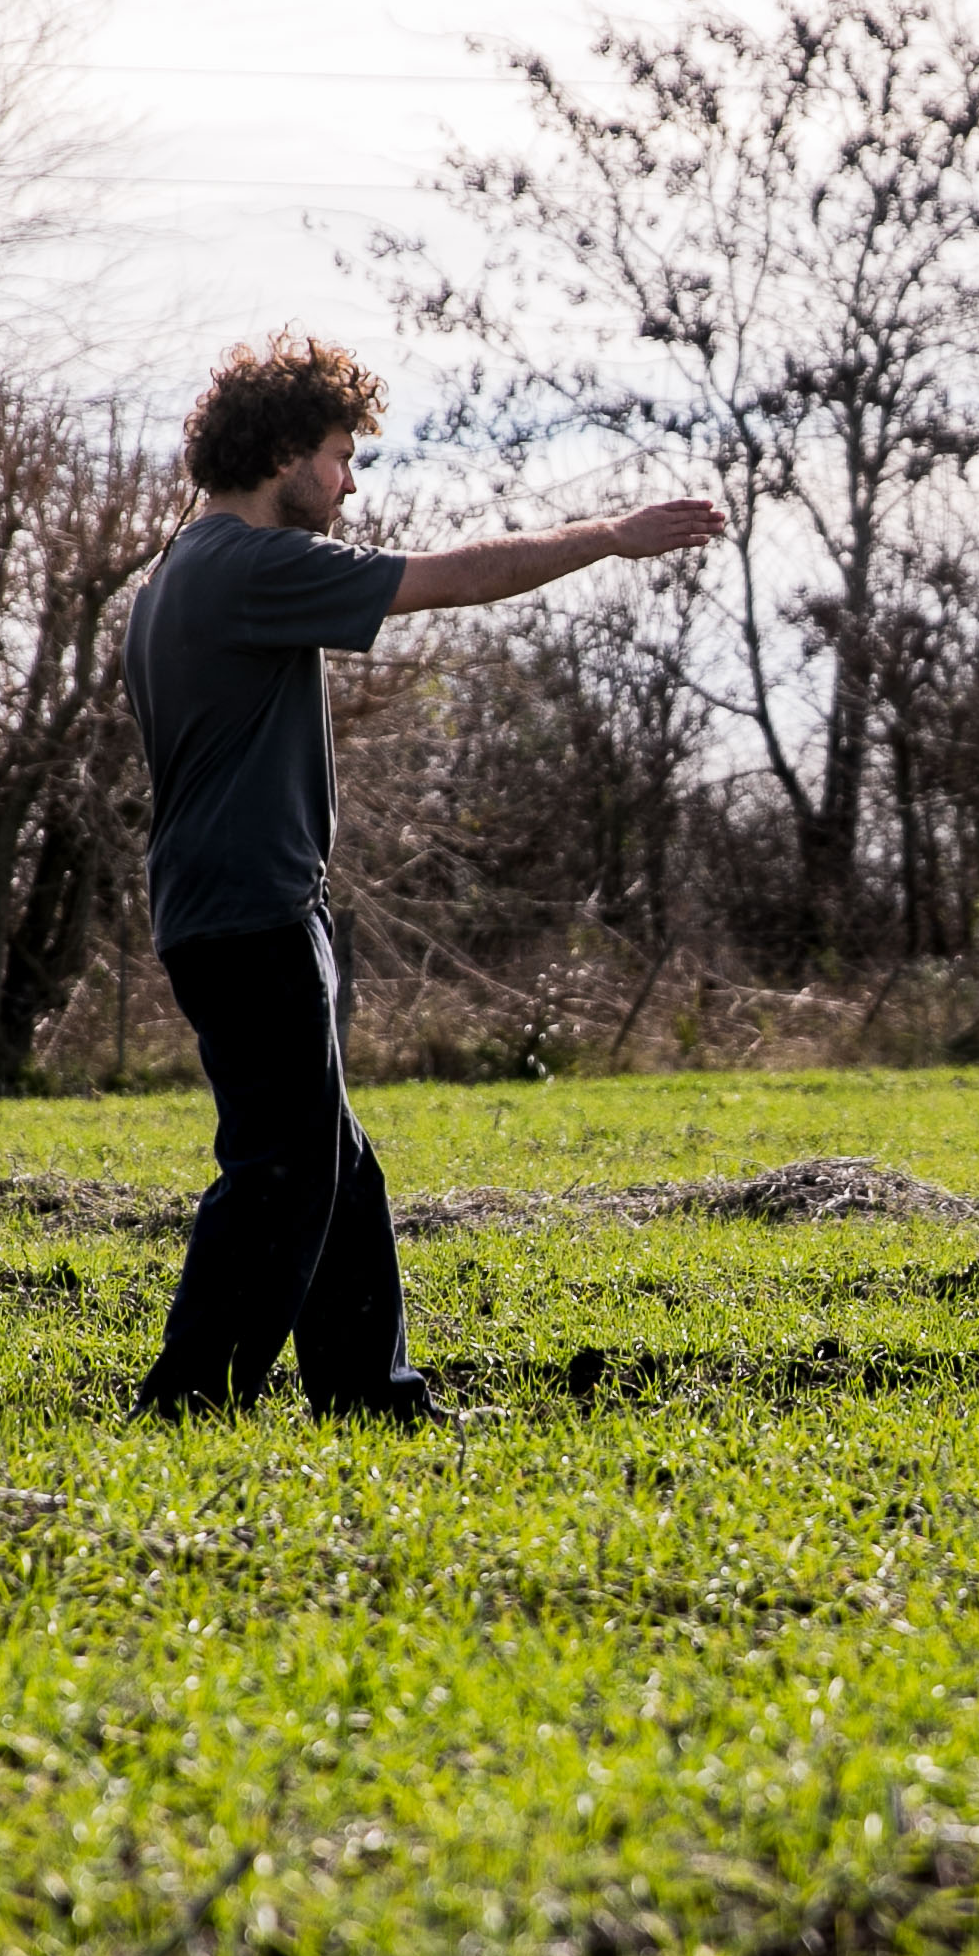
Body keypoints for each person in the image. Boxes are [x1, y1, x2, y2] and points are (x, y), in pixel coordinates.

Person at [124, 331, 726, 1421]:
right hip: (250, 908)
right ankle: (193, 1398)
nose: (350, 483)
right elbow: (458, 579)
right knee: (284, 1165)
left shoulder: (176, 573)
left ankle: (370, 1393)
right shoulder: (246, 565)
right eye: (341, 456)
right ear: (281, 454)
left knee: (334, 1160)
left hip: (226, 904)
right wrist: (611, 537)